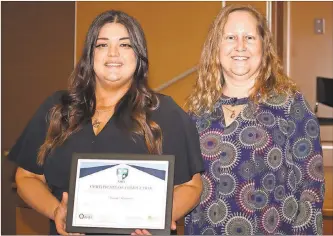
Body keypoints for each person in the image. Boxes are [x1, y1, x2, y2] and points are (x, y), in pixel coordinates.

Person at [8, 10, 204, 235]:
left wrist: (162, 217)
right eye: (102, 45)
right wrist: (55, 211)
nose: (113, 54)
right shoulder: (57, 108)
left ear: (138, 55)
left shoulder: (165, 113)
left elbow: (191, 186)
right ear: (90, 55)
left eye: (125, 45)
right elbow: (27, 177)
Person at [185, 4, 325, 235]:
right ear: (216, 47)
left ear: (264, 46)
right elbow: (184, 185)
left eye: (249, 37)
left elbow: (311, 188)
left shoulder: (292, 106)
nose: (240, 46)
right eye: (230, 37)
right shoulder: (197, 112)